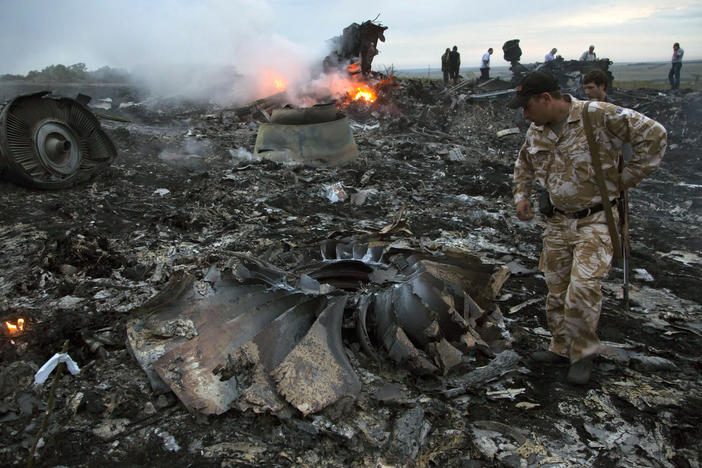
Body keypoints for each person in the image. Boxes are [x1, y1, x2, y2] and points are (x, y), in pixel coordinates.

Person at [509, 71, 666, 385]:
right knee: (556, 288)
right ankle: (560, 346)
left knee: (582, 290)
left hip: (596, 219)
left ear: (546, 99)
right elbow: (524, 163)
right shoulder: (536, 131)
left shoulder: (597, 115)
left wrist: (627, 178)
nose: (525, 114)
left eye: (527, 107)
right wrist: (521, 196)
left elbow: (655, 134)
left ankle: (583, 354)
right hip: (557, 221)